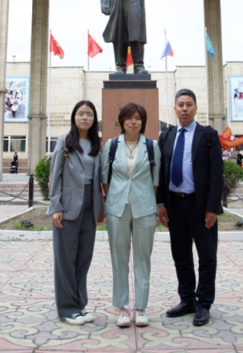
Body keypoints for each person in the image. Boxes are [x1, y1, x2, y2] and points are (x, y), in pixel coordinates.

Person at [156, 89, 224, 328]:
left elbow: (216, 173)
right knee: (181, 256)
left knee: (207, 256)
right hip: (175, 205)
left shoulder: (208, 135)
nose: (184, 108)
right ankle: (187, 300)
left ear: (195, 108)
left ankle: (203, 303)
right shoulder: (166, 136)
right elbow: (161, 172)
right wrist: (160, 203)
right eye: (180, 104)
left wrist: (212, 208)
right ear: (174, 109)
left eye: (189, 104)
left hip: (200, 206)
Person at [101, 103, 160, 328]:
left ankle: (141, 307)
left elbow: (155, 180)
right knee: (119, 258)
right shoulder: (111, 145)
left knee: (143, 259)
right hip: (117, 209)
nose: (133, 122)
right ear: (122, 121)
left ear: (143, 122)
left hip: (144, 209)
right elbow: (105, 178)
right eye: (129, 118)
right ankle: (123, 307)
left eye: (137, 118)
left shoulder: (152, 146)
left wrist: (146, 200)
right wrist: (114, 198)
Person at [48, 100, 105, 326]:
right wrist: (55, 207)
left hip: (91, 205)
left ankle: (79, 305)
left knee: (83, 258)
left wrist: (100, 207)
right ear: (74, 117)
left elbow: (99, 179)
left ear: (94, 119)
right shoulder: (64, 142)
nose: (85, 117)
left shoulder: (97, 144)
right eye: (81, 113)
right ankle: (67, 308)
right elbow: (55, 176)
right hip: (68, 205)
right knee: (66, 259)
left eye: (89, 114)